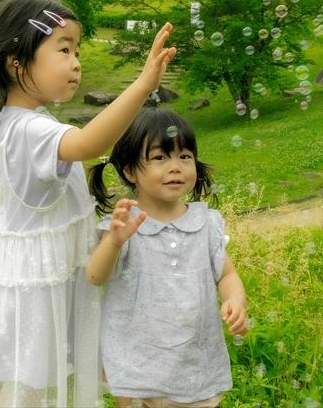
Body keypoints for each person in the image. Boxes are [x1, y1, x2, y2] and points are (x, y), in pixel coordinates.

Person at [0, 0, 176, 408]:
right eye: (63, 49)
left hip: (49, 277)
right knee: (26, 389)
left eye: (77, 51)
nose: (76, 62)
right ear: (15, 63)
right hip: (37, 289)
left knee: (34, 386)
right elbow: (92, 142)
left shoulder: (24, 123)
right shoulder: (28, 129)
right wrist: (144, 85)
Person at [86, 108, 248, 408]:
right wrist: (115, 242)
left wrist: (235, 300)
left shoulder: (206, 223)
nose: (176, 167)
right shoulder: (123, 225)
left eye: (184, 156)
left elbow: (226, 275)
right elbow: (95, 276)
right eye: (160, 158)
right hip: (136, 362)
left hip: (194, 361)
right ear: (130, 170)